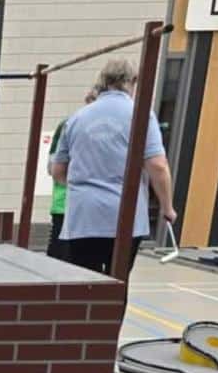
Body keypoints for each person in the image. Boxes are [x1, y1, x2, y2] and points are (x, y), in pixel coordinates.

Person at [51, 58, 176, 275]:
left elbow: (58, 171)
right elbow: (157, 165)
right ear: (132, 82)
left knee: (85, 281)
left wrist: (83, 186)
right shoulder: (141, 115)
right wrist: (167, 208)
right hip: (125, 216)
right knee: (117, 281)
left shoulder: (76, 119)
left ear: (103, 81)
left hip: (84, 217)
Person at [46, 88, 97, 260]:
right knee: (61, 256)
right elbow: (53, 168)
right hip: (66, 204)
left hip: (87, 207)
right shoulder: (69, 125)